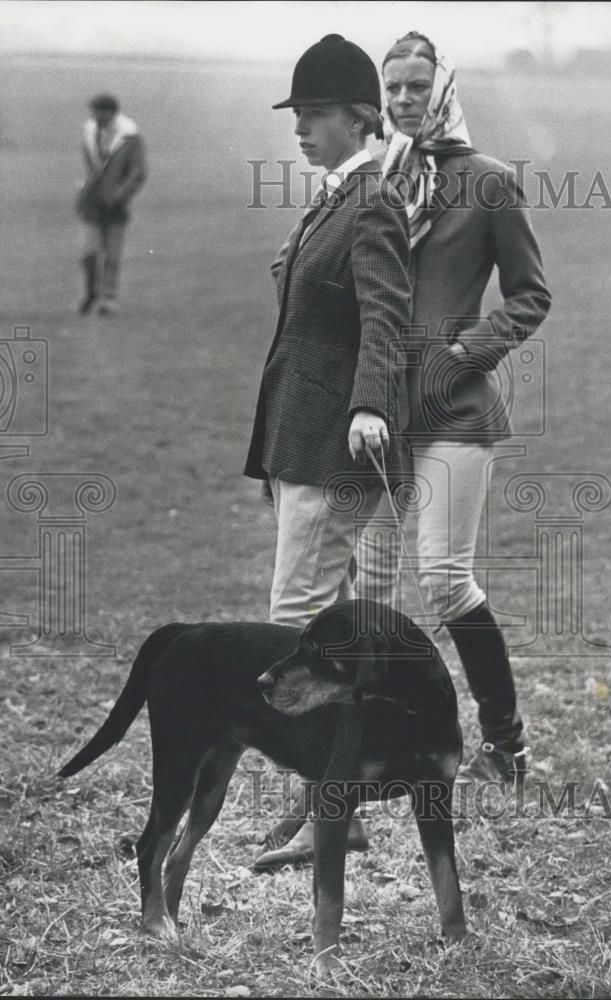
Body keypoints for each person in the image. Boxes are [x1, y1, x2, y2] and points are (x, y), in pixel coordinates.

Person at [353, 32, 552, 788]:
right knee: (367, 583)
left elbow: (530, 295)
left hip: (453, 410)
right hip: (375, 411)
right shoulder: (369, 180)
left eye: (415, 87)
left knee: (441, 580)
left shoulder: (489, 182)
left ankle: (506, 742)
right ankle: (374, 745)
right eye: (393, 88)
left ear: (441, 90)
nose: (403, 100)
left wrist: (466, 352)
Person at [243, 35, 411, 864]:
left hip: (333, 447)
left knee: (293, 635)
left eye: (315, 115)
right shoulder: (333, 197)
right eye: (298, 115)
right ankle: (330, 803)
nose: (301, 129)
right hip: (303, 442)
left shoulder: (370, 200)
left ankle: (329, 814)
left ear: (361, 120)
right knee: (321, 634)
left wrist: (371, 403)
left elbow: (386, 318)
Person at [76, 93, 146, 316]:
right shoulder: (89, 133)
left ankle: (108, 300)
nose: (95, 116)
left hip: (116, 206)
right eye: (93, 111)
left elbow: (138, 172)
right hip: (92, 205)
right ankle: (92, 292)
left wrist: (120, 194)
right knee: (90, 253)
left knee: (112, 255)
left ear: (112, 112)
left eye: (100, 111)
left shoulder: (131, 138)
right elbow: (91, 168)